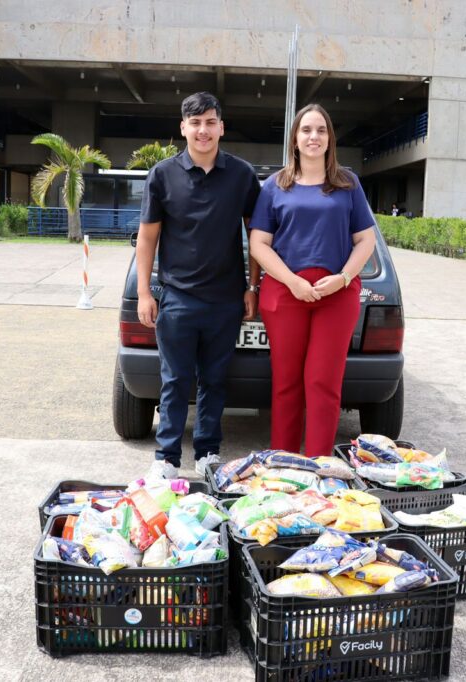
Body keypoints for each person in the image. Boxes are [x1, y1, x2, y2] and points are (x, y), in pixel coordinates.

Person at [135, 92, 261, 480]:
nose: (202, 130)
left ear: (221, 127)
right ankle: (167, 457)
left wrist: (252, 286)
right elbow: (147, 237)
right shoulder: (163, 175)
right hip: (177, 298)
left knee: (214, 380)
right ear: (183, 128)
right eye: (195, 123)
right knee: (174, 380)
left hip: (226, 300)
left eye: (209, 122)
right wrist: (144, 292)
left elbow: (256, 235)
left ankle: (207, 453)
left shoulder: (241, 175)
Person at [248, 104, 377, 457]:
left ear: (330, 139)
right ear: (295, 139)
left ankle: (319, 465)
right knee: (286, 384)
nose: (313, 137)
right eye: (306, 130)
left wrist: (344, 277)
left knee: (323, 383)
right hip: (285, 292)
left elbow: (366, 240)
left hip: (336, 295)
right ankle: (284, 465)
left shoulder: (348, 184)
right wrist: (292, 282)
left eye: (321, 130)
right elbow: (258, 244)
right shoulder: (275, 186)